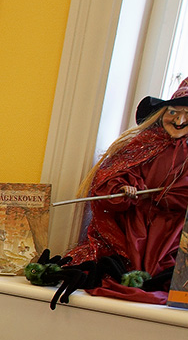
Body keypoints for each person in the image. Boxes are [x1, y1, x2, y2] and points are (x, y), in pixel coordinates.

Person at [63, 78, 188, 303]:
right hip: (133, 227)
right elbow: (113, 176)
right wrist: (124, 187)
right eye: (173, 112)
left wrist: (165, 196)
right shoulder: (143, 144)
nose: (179, 120)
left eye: (187, 114)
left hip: (171, 231)